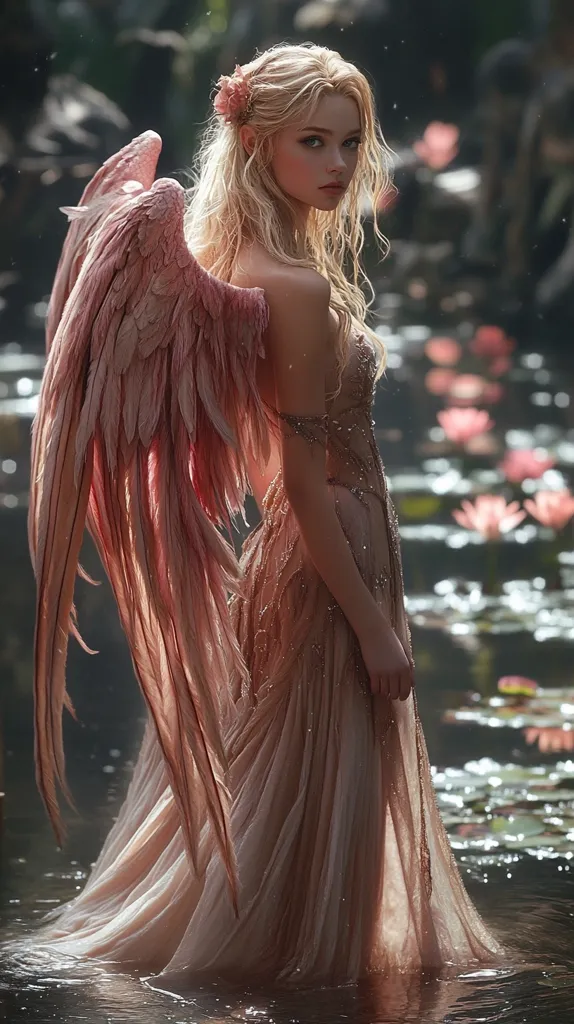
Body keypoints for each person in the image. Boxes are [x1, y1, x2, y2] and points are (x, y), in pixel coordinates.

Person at [18, 42, 503, 989]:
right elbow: (303, 478)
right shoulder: (294, 287)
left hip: (318, 552)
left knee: (293, 792)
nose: (335, 163)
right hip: (333, 561)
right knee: (316, 802)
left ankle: (296, 966)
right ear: (257, 146)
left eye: (349, 142)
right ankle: (300, 977)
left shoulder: (238, 261)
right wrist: (372, 626)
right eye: (310, 141)